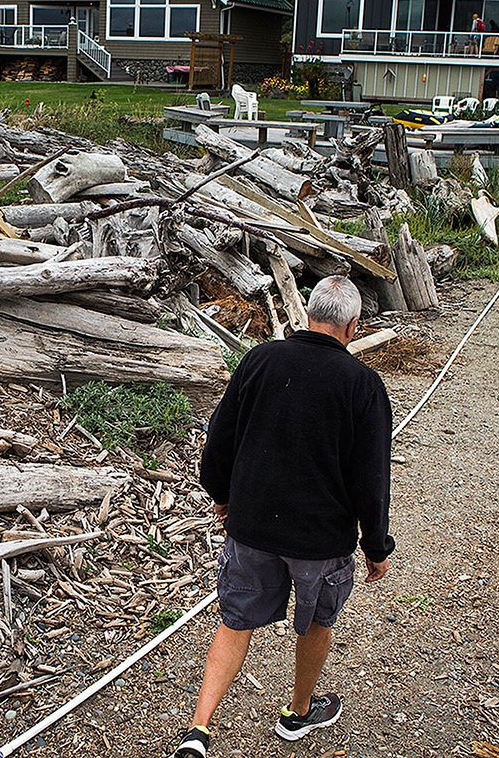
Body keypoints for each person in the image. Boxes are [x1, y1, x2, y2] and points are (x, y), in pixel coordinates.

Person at [172, 276, 394, 756]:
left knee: (235, 622)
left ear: (307, 314)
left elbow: (221, 437)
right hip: (320, 540)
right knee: (316, 624)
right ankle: (298, 713)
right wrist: (376, 545)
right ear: (352, 326)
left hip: (251, 529)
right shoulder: (363, 385)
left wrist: (222, 494)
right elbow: (371, 478)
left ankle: (198, 731)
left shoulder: (259, 360)